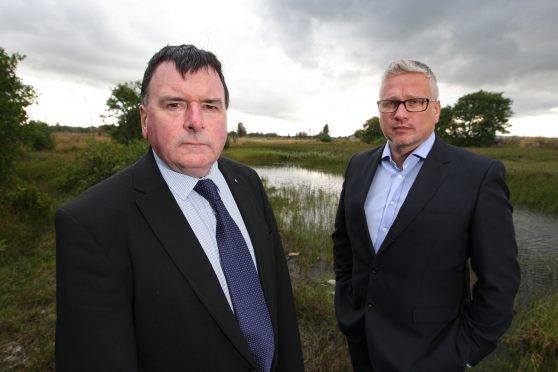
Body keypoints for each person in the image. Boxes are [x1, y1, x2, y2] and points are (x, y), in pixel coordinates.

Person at [55, 44, 304, 372]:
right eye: (174, 104)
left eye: (211, 106)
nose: (196, 122)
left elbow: (280, 306)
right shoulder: (92, 223)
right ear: (145, 120)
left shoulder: (248, 182)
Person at [332, 59, 520, 372]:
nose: (400, 113)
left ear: (436, 109)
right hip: (362, 339)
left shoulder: (478, 175)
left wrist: (466, 351)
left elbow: (500, 280)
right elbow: (344, 243)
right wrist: (346, 304)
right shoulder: (358, 166)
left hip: (433, 353)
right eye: (390, 102)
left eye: (415, 102)